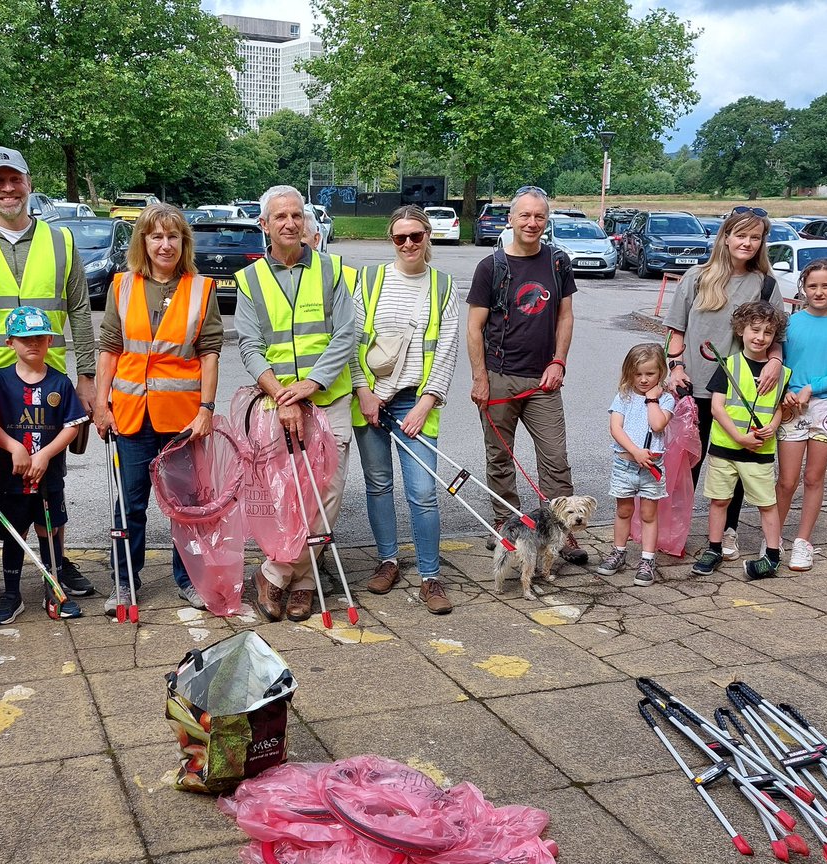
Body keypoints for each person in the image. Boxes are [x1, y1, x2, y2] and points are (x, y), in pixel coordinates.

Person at [0, 146, 97, 608]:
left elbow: (80, 311)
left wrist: (85, 376)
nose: (7, 189)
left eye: (15, 180)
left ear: (28, 182)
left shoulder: (61, 241)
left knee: (51, 481)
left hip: (49, 384)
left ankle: (57, 560)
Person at [235, 185, 356, 622]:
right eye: (280, 216)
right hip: (276, 403)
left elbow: (346, 334)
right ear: (264, 225)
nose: (290, 223)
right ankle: (304, 582)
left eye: (297, 215)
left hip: (330, 398)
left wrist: (311, 384)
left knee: (327, 495)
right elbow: (248, 345)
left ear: (307, 221)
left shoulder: (333, 269)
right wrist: (280, 393)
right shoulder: (249, 279)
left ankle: (278, 574)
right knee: (289, 495)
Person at [93, 202, 222, 611]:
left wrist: (206, 409)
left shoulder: (201, 288)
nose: (165, 245)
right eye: (156, 236)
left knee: (186, 505)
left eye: (172, 237)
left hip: (183, 418)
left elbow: (210, 353)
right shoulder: (122, 286)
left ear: (183, 242)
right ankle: (125, 582)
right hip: (131, 417)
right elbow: (110, 349)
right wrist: (101, 404)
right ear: (143, 241)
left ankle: (188, 580)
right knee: (130, 503)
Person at [466, 186, 587, 563]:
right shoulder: (491, 267)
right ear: (511, 220)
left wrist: (559, 361)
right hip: (499, 377)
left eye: (539, 217)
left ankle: (560, 532)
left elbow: (565, 316)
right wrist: (480, 378)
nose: (532, 223)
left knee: (555, 459)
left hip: (543, 381)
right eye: (525, 216)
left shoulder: (557, 263)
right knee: (500, 459)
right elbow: (474, 328)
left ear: (545, 221)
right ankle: (508, 528)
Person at [351, 205, 460, 614]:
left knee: (423, 492)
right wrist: (363, 392)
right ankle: (388, 561)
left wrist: (427, 402)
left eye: (416, 235)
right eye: (401, 237)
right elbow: (351, 341)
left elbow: (447, 350)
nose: (409, 243)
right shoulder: (371, 280)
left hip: (416, 401)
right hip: (371, 402)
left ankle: (431, 576)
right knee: (378, 485)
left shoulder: (444, 286)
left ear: (428, 236)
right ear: (391, 240)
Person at [664, 207, 784, 561]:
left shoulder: (765, 284)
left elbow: (777, 334)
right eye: (741, 235)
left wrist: (775, 361)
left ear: (762, 242)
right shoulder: (697, 277)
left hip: (741, 392)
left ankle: (727, 532)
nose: (747, 242)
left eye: (755, 237)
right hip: (696, 386)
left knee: (735, 464)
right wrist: (674, 367)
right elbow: (676, 329)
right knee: (688, 464)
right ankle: (675, 529)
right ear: (726, 237)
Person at [0, 306, 90, 624]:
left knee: (49, 528)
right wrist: (14, 447)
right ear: (10, 343)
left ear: (50, 341)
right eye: (24, 338)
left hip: (49, 477)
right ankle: (11, 594)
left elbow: (72, 425)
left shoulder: (60, 383)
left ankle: (55, 589)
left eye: (39, 337)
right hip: (12, 476)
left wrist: (45, 455)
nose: (32, 343)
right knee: (16, 533)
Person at [690, 302, 790, 581]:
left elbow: (780, 405)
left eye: (768, 333)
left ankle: (772, 556)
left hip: (760, 452)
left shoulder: (780, 372)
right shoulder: (729, 365)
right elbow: (717, 408)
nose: (760, 337)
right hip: (725, 449)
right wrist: (738, 437)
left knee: (766, 504)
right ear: (741, 331)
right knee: (719, 501)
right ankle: (713, 549)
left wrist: (772, 425)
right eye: (754, 330)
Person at [775, 259, 827, 571]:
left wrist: (814, 387)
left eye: (826, 285)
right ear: (803, 288)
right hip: (791, 405)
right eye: (813, 285)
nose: (819, 291)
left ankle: (803, 541)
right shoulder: (790, 324)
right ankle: (773, 539)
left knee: (813, 477)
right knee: (786, 480)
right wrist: (785, 388)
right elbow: (777, 360)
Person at [595, 343, 675, 587]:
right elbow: (615, 428)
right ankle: (618, 551)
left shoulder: (666, 399)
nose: (643, 379)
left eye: (649, 374)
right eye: (637, 374)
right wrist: (635, 451)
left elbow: (658, 425)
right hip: (625, 465)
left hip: (652, 467)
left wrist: (652, 400)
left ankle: (648, 559)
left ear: (660, 373)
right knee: (624, 510)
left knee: (649, 514)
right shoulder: (624, 396)